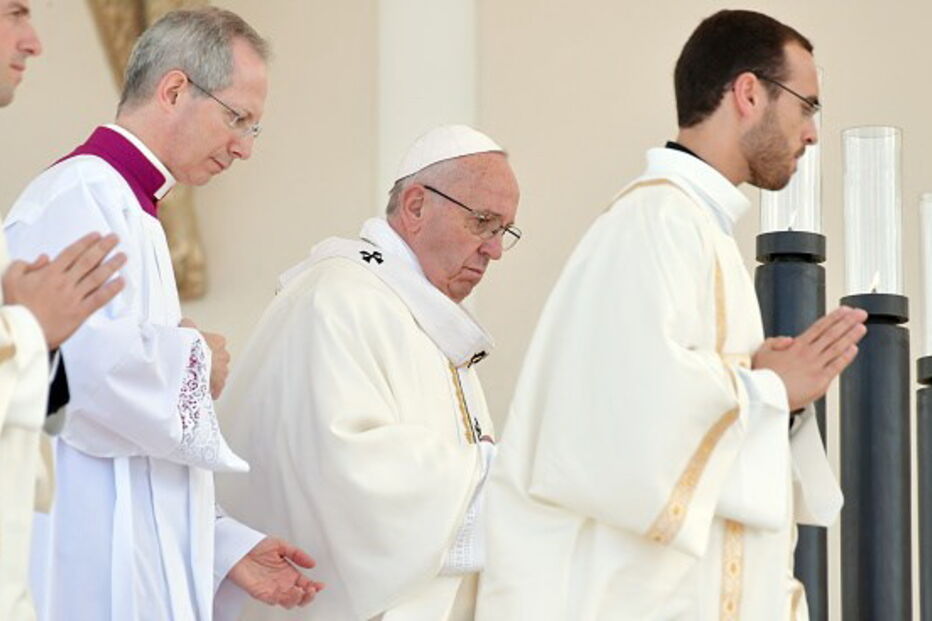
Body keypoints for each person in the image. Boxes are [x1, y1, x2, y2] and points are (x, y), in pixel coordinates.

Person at [475, 10, 866, 620]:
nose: (812, 132)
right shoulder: (653, 223)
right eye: (807, 105)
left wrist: (775, 402)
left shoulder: (698, 230)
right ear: (748, 93)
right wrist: (768, 391)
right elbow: (623, 424)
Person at [4, 8, 321, 620]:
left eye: (254, 129)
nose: (244, 148)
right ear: (175, 89)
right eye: (239, 119)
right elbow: (70, 382)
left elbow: (140, 441)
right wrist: (197, 362)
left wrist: (225, 545)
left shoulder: (130, 205)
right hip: (86, 564)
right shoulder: (79, 197)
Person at [217, 124, 521, 620]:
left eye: (504, 230)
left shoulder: (421, 315)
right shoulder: (337, 299)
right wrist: (498, 476)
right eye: (483, 222)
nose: (495, 249)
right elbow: (349, 474)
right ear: (417, 206)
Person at [0, 1, 128, 618]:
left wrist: (39, 342)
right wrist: (29, 330)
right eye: (12, 13)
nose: (33, 42)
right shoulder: (75, 192)